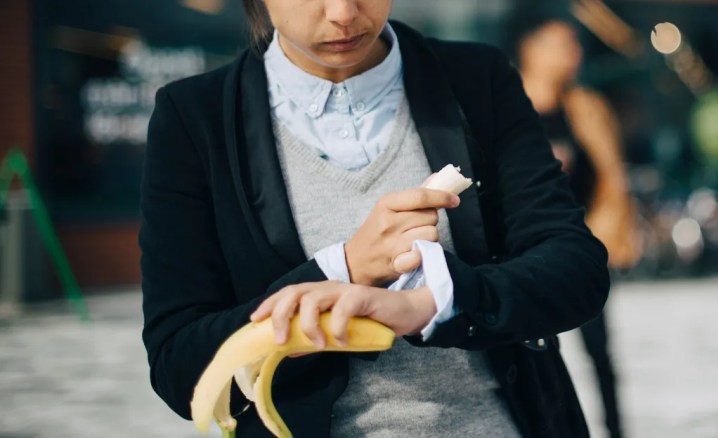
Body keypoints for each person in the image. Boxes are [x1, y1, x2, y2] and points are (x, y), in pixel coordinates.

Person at [140, 1, 610, 436]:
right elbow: (180, 368)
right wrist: (344, 268)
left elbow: (576, 269)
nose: (344, 13)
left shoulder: (475, 77)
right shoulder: (194, 118)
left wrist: (435, 302)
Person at [516, 14, 642, 438]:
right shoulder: (506, 107)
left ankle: (615, 431)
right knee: (535, 351)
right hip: (526, 249)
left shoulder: (586, 107)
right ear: (529, 49)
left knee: (600, 352)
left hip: (583, 244)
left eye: (574, 46)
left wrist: (614, 230)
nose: (572, 55)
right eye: (559, 44)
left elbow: (610, 175)